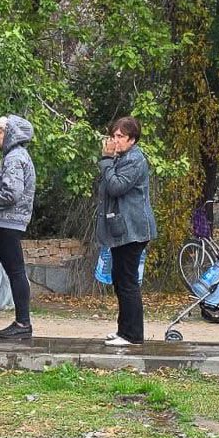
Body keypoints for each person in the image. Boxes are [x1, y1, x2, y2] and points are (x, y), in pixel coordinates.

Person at [96, 116, 158, 347]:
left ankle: (133, 335)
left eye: (120, 136)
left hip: (133, 229)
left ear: (132, 139)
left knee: (128, 281)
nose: (115, 140)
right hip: (122, 229)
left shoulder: (135, 160)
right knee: (119, 279)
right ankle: (124, 330)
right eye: (114, 135)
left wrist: (105, 160)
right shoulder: (122, 158)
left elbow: (116, 186)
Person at [0, 115, 37, 340]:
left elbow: (12, 192)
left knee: (15, 271)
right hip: (11, 220)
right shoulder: (18, 156)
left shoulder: (14, 158)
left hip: (7, 220)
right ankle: (22, 321)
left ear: (11, 133)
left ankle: (23, 322)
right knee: (15, 271)